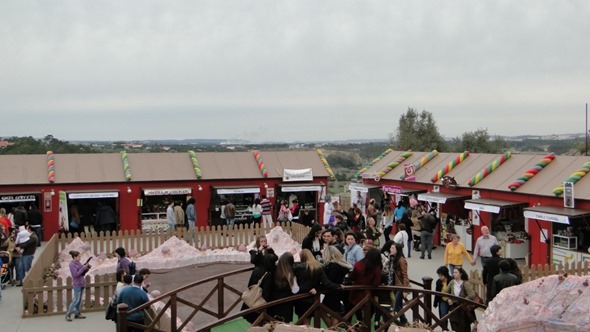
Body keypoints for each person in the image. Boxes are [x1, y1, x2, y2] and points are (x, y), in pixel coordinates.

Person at [293, 249, 341, 326]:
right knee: (307, 321)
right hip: (313, 298)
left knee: (302, 321)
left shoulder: (297, 268)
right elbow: (326, 283)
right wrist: (338, 286)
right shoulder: (318, 267)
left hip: (300, 298)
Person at [243, 247, 277, 324]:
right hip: (259, 305)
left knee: (254, 323)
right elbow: (266, 294)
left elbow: (249, 285)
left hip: (250, 302)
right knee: (260, 323)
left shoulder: (257, 269)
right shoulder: (268, 274)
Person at [347, 247, 382, 321]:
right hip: (369, 294)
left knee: (355, 310)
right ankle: (364, 324)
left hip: (356, 292)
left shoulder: (358, 264)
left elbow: (352, 277)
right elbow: (376, 283)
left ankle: (359, 324)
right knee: (370, 311)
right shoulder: (376, 268)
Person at [322, 245, 352, 327]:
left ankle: (332, 329)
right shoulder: (341, 266)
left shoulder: (332, 267)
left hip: (332, 292)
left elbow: (330, 280)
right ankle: (332, 328)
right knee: (335, 313)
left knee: (326, 311)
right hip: (337, 291)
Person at [384, 242, 410, 327]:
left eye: (392, 248)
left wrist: (405, 289)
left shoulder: (401, 260)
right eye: (390, 248)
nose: (390, 250)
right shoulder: (392, 258)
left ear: (397, 250)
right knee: (398, 305)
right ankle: (403, 322)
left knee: (396, 305)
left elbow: (405, 275)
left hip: (400, 285)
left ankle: (404, 321)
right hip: (393, 284)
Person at [444, 267, 477, 332]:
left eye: (456, 272)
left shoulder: (465, 283)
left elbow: (471, 294)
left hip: (464, 308)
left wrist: (463, 300)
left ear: (460, 274)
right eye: (453, 272)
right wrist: (448, 299)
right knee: (454, 324)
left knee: (464, 326)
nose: (454, 274)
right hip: (454, 307)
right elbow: (446, 293)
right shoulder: (452, 282)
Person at [269, 252, 297, 322]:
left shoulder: (274, 270)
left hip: (274, 302)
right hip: (286, 303)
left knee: (274, 324)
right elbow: (295, 290)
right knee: (284, 325)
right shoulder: (290, 274)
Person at [65, 250, 90, 321]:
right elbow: (75, 274)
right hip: (77, 284)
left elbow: (82, 272)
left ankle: (77, 313)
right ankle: (68, 314)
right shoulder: (72, 265)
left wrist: (87, 268)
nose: (80, 258)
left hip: (82, 283)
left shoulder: (78, 263)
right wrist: (83, 268)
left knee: (79, 300)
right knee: (75, 300)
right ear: (74, 257)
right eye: (79, 257)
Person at [433, 265, 451, 331]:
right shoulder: (438, 282)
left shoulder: (451, 280)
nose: (440, 277)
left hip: (451, 300)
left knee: (453, 316)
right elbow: (437, 293)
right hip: (443, 300)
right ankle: (444, 328)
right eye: (439, 275)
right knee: (443, 315)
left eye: (441, 275)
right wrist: (435, 303)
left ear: (445, 274)